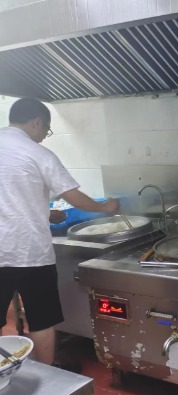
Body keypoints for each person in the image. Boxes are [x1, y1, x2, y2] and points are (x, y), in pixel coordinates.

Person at [0, 98, 120, 366]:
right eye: (46, 129)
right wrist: (105, 207)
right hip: (30, 253)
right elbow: (73, 196)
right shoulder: (37, 153)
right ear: (37, 122)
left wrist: (44, 212)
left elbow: (8, 197)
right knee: (41, 319)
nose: (45, 135)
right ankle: (48, 375)